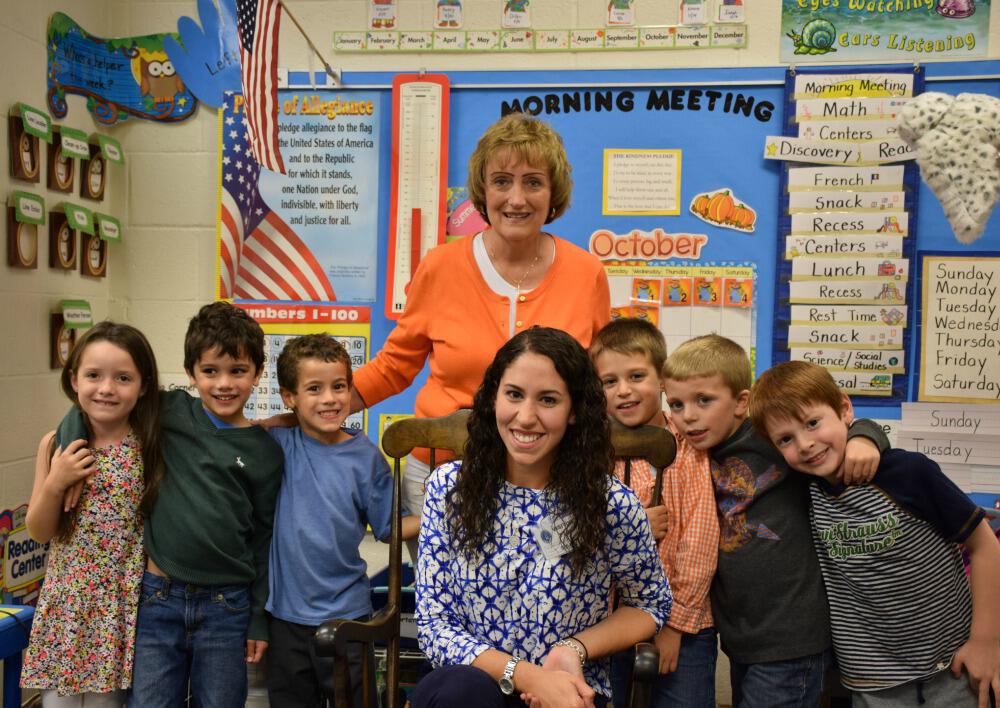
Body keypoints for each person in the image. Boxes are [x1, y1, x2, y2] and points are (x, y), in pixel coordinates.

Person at [351, 113, 611, 551]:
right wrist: (318, 408)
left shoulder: (587, 273)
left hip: (550, 479)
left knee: (533, 609)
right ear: (482, 191)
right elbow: (395, 366)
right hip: (439, 471)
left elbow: (602, 379)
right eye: (502, 181)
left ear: (554, 194)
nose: (516, 198)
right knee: (453, 608)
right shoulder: (441, 266)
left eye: (533, 182)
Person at [410, 327, 672, 708]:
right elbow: (435, 626)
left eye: (548, 400)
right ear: (493, 397)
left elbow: (649, 603)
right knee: (462, 693)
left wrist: (573, 650)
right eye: (514, 394)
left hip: (567, 690)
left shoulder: (610, 502)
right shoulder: (449, 489)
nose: (526, 417)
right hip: (470, 686)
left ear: (575, 411)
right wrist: (528, 675)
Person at [54, 302, 284, 708]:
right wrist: (74, 449)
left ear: (258, 373)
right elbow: (87, 406)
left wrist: (258, 620)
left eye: (238, 371)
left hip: (227, 607)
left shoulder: (266, 452)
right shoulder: (168, 410)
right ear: (191, 372)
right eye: (210, 371)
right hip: (158, 599)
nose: (224, 383)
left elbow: (264, 540)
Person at [749, 360, 1000, 708]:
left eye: (812, 423)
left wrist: (987, 642)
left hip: (952, 665)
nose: (805, 444)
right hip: (873, 681)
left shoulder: (907, 472)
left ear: (844, 407)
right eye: (786, 439)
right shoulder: (803, 491)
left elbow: (986, 546)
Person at [661, 334, 889, 707]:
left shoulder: (773, 439)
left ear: (741, 402)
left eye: (704, 400)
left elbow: (831, 431)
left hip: (794, 636)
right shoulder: (690, 452)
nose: (688, 415)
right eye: (676, 403)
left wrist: (865, 437)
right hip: (742, 638)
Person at [265, 334, 419, 707]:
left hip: (349, 618)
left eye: (339, 387)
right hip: (285, 616)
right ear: (290, 396)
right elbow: (236, 433)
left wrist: (442, 514)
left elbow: (388, 528)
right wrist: (280, 420)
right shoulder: (277, 442)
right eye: (314, 389)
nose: (330, 399)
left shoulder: (364, 456)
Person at [23, 322, 162, 707]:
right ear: (74, 378)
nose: (106, 389)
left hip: (120, 605)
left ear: (144, 385)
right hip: (67, 603)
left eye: (122, 378)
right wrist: (56, 481)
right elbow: (38, 530)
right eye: (93, 376)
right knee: (58, 702)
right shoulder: (56, 443)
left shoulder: (151, 443)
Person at [590, 318, 718, 708]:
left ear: (661, 378)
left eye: (636, 376)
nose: (623, 390)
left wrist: (675, 625)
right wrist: (631, 525)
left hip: (683, 624)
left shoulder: (689, 444)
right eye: (609, 382)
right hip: (602, 621)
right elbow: (570, 529)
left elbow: (701, 539)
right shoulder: (591, 455)